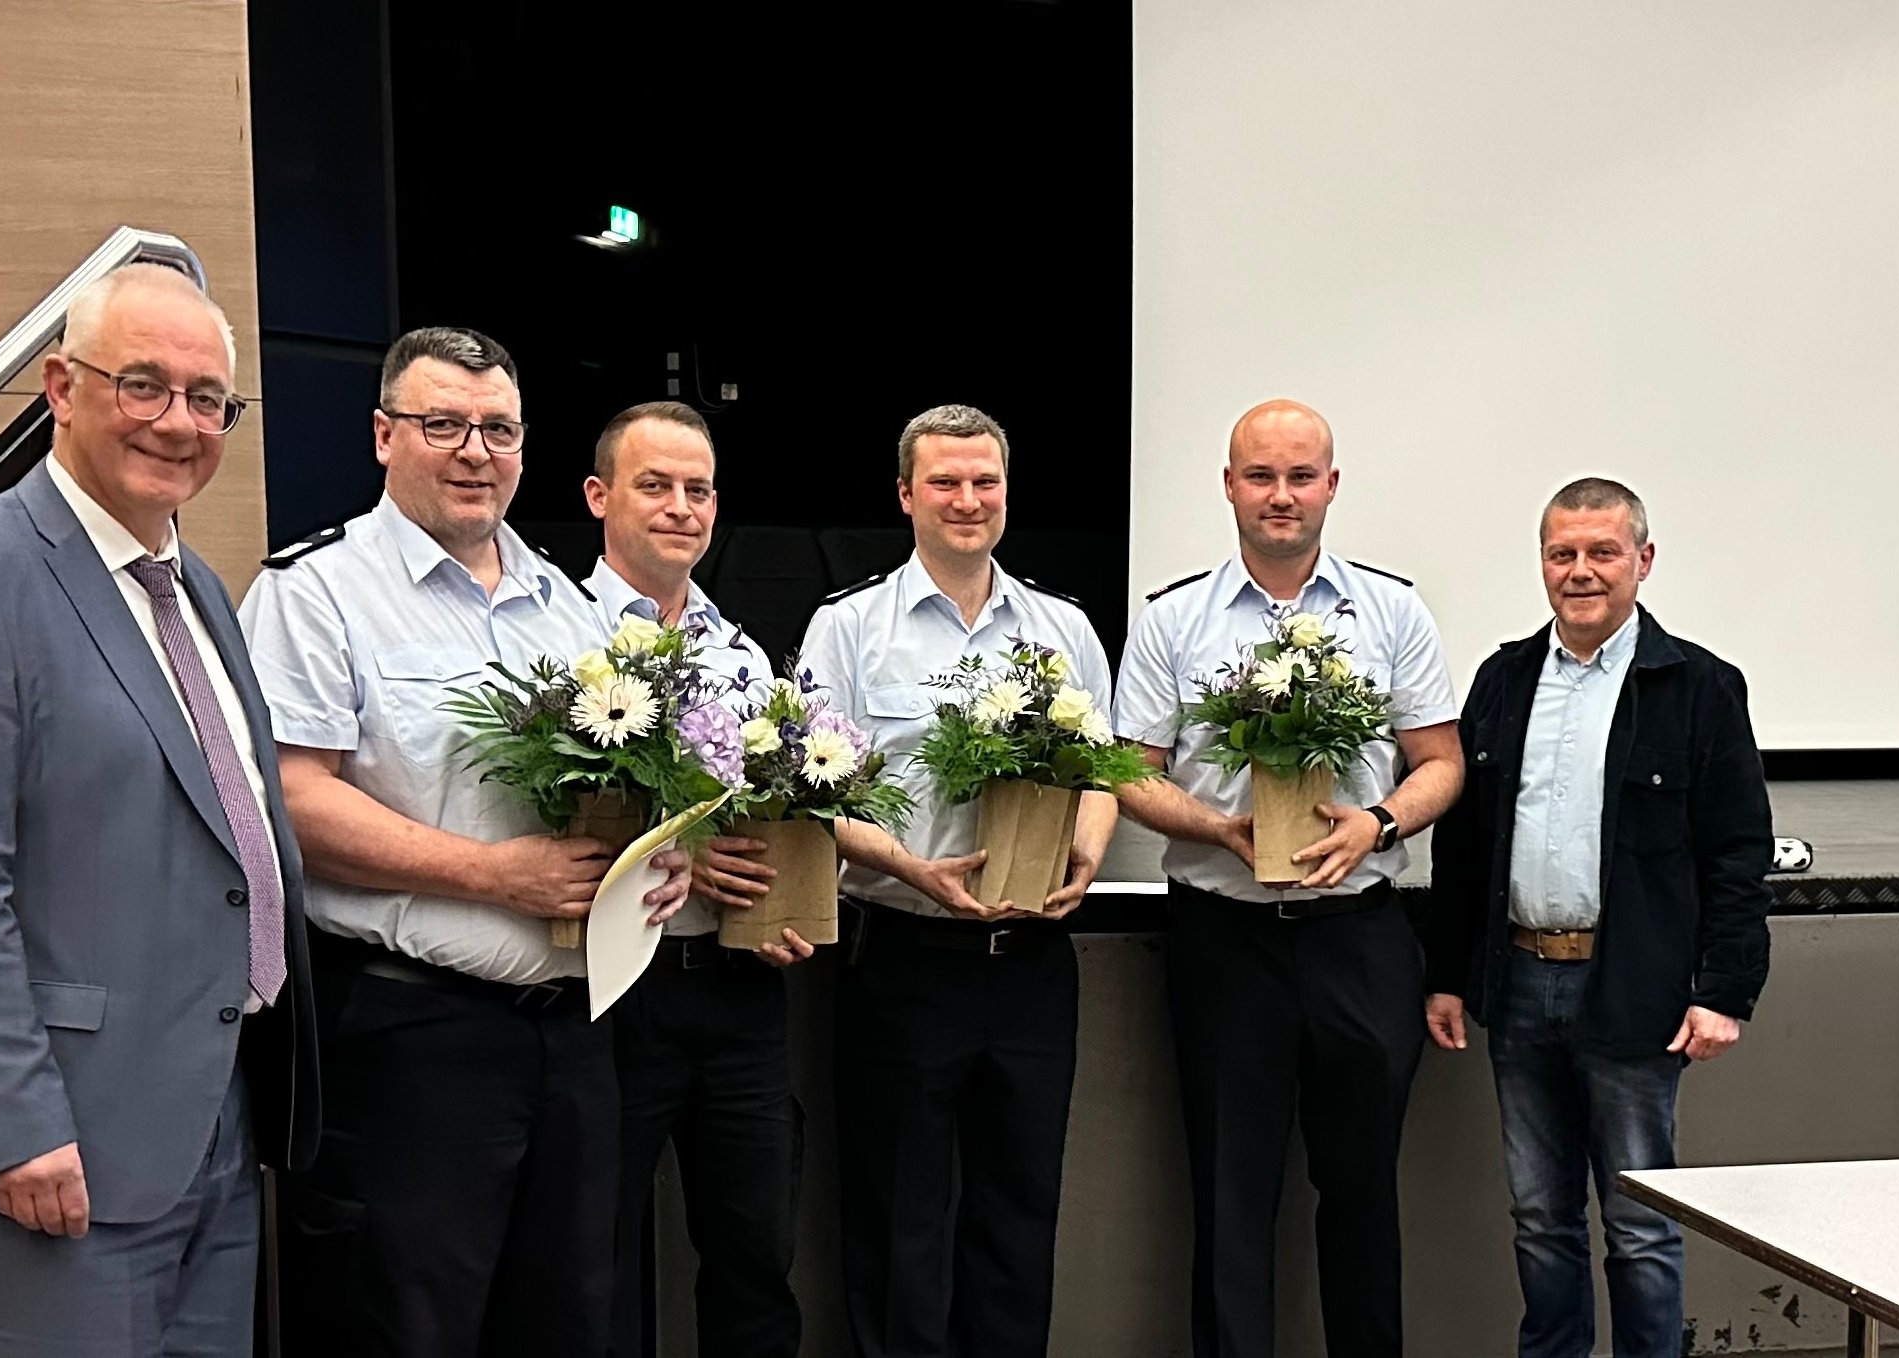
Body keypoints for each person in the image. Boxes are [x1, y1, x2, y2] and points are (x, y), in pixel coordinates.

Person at [0, 262, 319, 1358]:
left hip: (210, 1112)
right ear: (61, 386)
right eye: (142, 384)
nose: (178, 422)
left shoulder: (194, 583)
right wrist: (12, 1126)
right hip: (61, 1138)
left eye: (208, 400)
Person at [239, 326, 689, 1358]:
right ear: (384, 435)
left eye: (497, 428)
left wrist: (651, 864)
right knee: (399, 1321)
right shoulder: (316, 593)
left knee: (565, 1318)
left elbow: (610, 791)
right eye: (443, 424)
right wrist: (492, 874)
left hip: (572, 1034)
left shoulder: (568, 611)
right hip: (408, 1040)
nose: (474, 450)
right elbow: (291, 799)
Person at [1110, 398, 1463, 1358]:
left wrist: (1379, 821)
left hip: (1358, 934)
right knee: (1229, 1196)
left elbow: (1440, 761)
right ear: (1228, 486)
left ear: (1331, 487)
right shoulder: (1173, 618)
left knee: (1362, 1192)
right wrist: (1219, 829)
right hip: (1225, 939)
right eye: (1259, 476)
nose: (1280, 495)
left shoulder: (1390, 610)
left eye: (1299, 476)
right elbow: (1129, 775)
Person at [795, 403, 1117, 1358]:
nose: (967, 500)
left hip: (1031, 963)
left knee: (1018, 1217)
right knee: (900, 1220)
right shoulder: (849, 628)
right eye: (945, 482)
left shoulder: (1061, 626)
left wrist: (1089, 848)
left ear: (1007, 494)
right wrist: (907, 866)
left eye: (985, 482)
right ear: (905, 495)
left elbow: (1100, 773)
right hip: (901, 960)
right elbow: (812, 797)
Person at [1424, 478, 1773, 1358]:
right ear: (1542, 563)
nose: (1579, 572)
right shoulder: (1503, 680)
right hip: (1518, 986)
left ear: (1642, 562)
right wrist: (1445, 974)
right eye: (1561, 554)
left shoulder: (1697, 686)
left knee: (1640, 1224)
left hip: (1634, 995)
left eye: (1601, 553)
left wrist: (1725, 990)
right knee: (1540, 1219)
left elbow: (1736, 851)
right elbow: (1464, 848)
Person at [580, 400, 811, 1358]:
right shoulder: (553, 632)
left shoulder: (743, 652)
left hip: (737, 988)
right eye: (655, 485)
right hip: (609, 993)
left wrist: (795, 897)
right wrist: (674, 848)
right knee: (599, 1258)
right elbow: (544, 812)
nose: (681, 508)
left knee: (757, 1253)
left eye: (698, 490)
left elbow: (776, 813)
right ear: (599, 497)